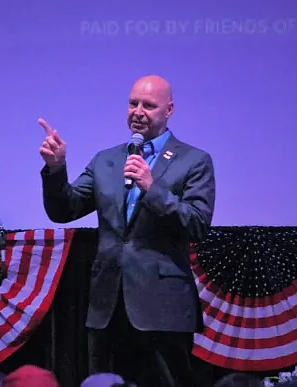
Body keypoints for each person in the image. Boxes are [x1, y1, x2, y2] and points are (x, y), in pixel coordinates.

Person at [39, 75, 216, 386]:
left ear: (169, 110)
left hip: (163, 309)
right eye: (133, 103)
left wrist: (152, 188)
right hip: (107, 305)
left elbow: (198, 224)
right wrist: (56, 169)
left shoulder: (194, 160)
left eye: (149, 105)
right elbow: (64, 210)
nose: (138, 111)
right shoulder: (106, 160)